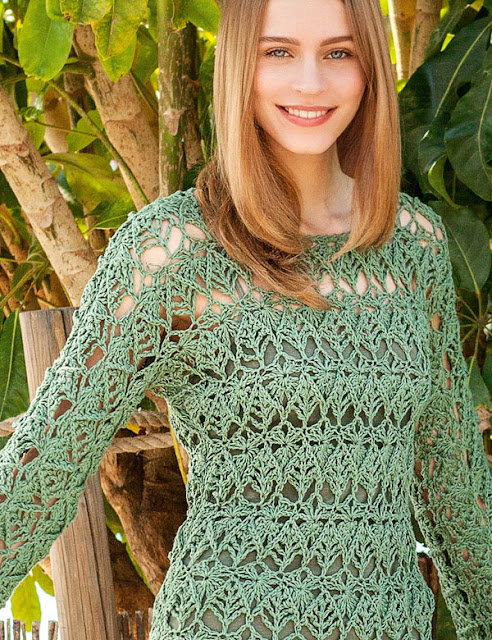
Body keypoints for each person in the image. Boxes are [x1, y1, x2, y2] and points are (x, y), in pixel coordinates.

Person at [0, 0, 491, 638]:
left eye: (339, 52)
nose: (310, 82)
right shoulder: (173, 251)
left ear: (370, 66)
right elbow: (40, 473)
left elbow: (457, 494)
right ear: (239, 67)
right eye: (278, 52)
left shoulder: (414, 243)